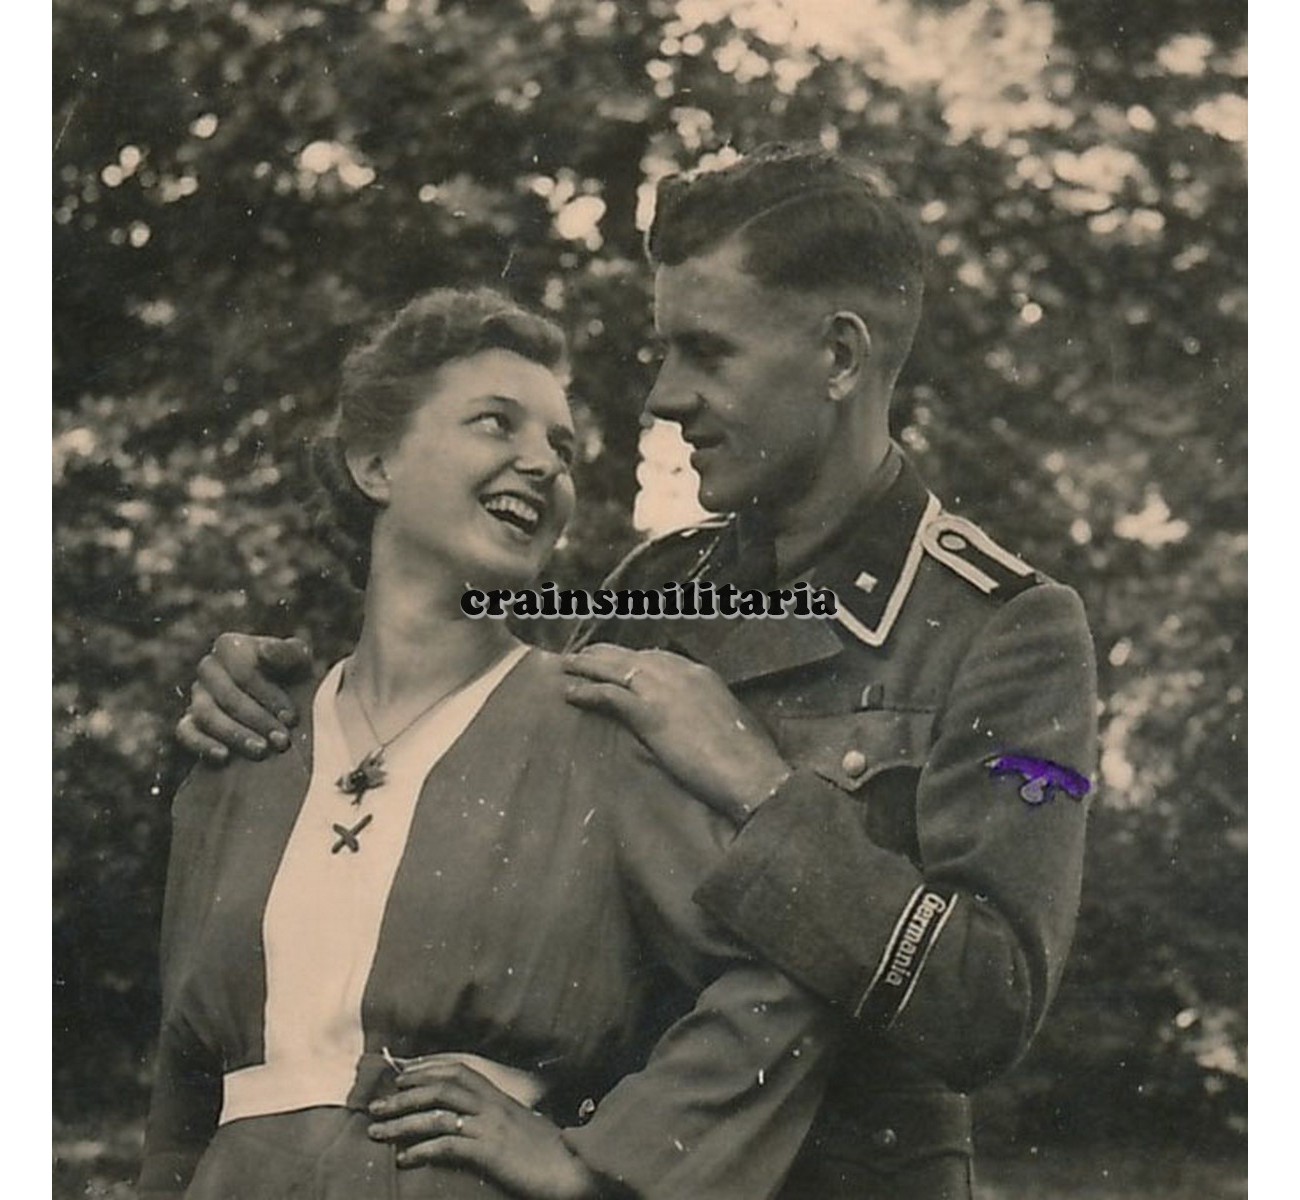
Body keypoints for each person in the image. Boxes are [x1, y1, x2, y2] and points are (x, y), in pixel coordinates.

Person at [177, 144, 1099, 1199]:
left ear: (840, 357)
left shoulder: (1004, 628)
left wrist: (760, 788)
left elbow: (988, 1005)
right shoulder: (651, 588)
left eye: (706, 352)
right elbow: (470, 749)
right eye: (664, 350)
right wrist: (282, 702)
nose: (665, 397)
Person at [140, 287, 838, 1200]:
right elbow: (181, 1093)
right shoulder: (246, 745)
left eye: (563, 449)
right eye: (495, 423)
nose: (541, 464)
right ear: (376, 464)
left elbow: (786, 969)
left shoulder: (596, 732)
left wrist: (596, 1164)